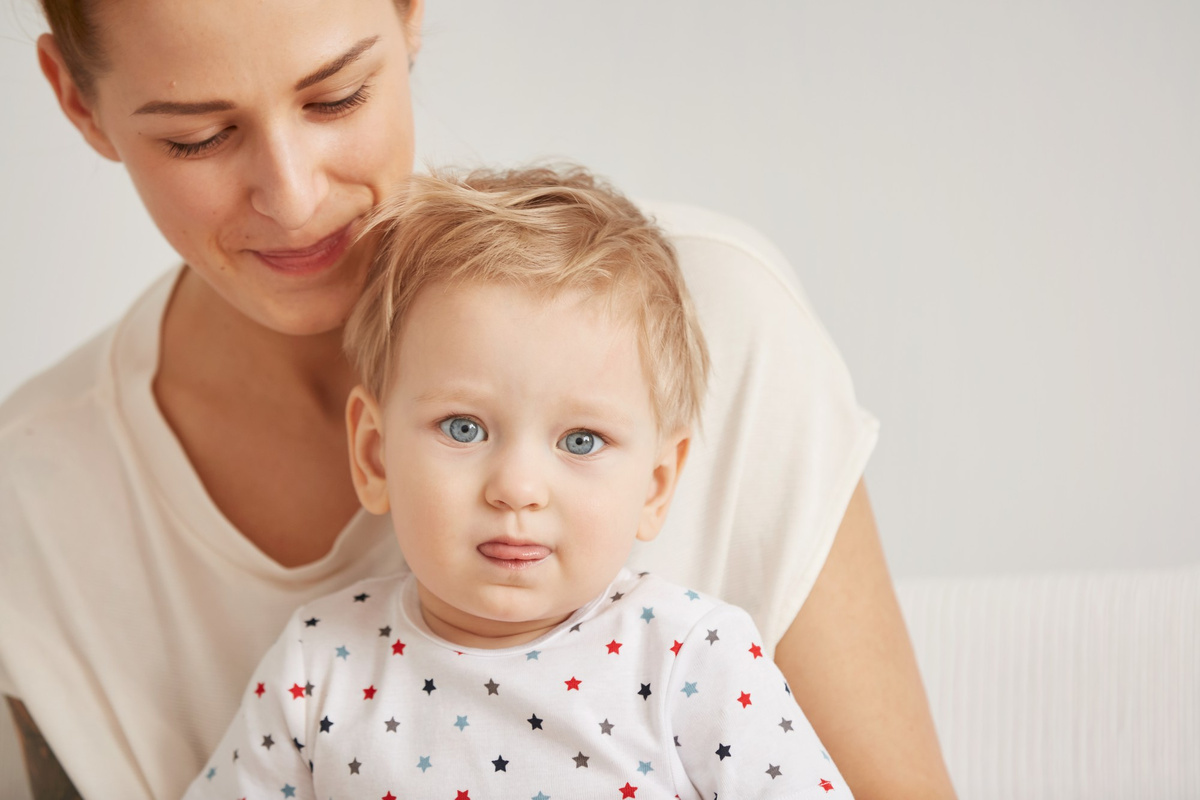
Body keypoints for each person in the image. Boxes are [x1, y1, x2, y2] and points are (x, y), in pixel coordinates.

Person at [1, 1, 955, 798]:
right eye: (198, 136)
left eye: (338, 95)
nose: (291, 197)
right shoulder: (34, 516)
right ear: (78, 102)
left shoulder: (716, 323)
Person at [181, 165, 854, 799]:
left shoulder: (691, 660)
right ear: (376, 455)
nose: (517, 488)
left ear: (654, 486)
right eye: (464, 429)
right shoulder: (319, 668)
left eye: (581, 441)